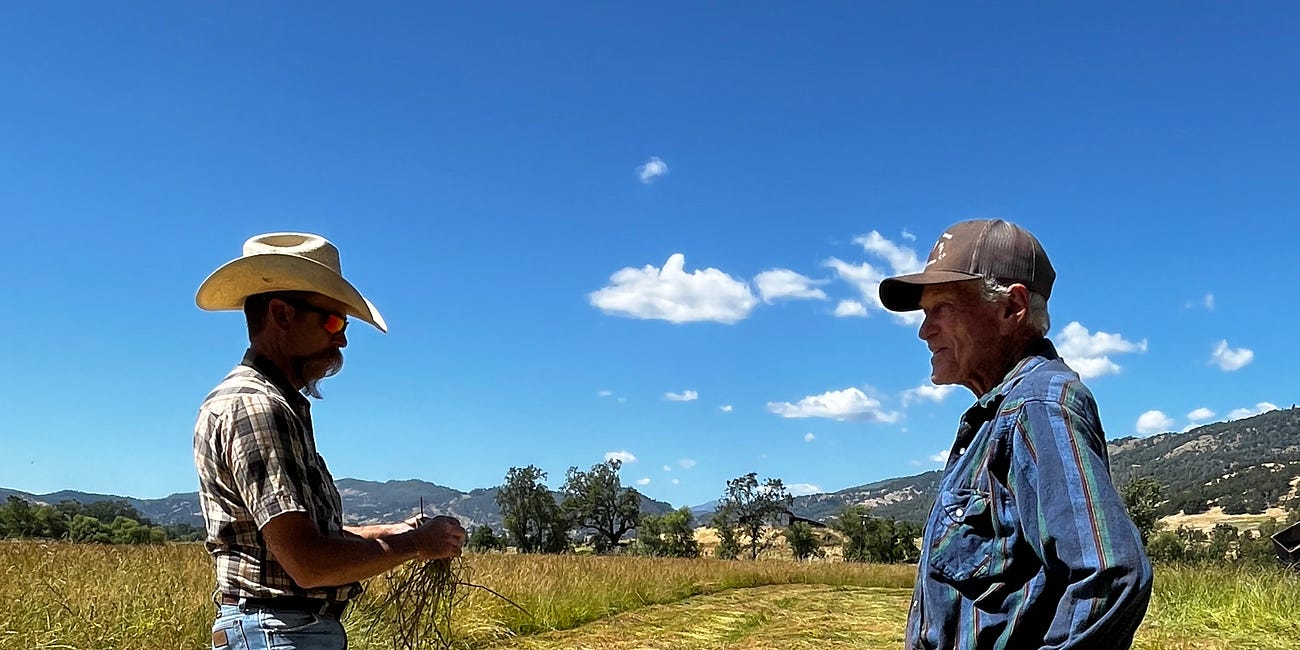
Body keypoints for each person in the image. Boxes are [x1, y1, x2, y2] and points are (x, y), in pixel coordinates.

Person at [878, 219, 1153, 649]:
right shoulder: (1000, 414)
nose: (924, 330)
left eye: (941, 308)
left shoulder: (1039, 406)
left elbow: (1112, 577)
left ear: (1012, 308)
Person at [193, 232, 466, 650]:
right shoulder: (258, 408)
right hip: (280, 632)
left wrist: (394, 530)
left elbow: (309, 537)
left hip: (286, 630)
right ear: (282, 315)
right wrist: (414, 544)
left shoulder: (274, 405)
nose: (342, 339)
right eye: (333, 321)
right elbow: (308, 563)